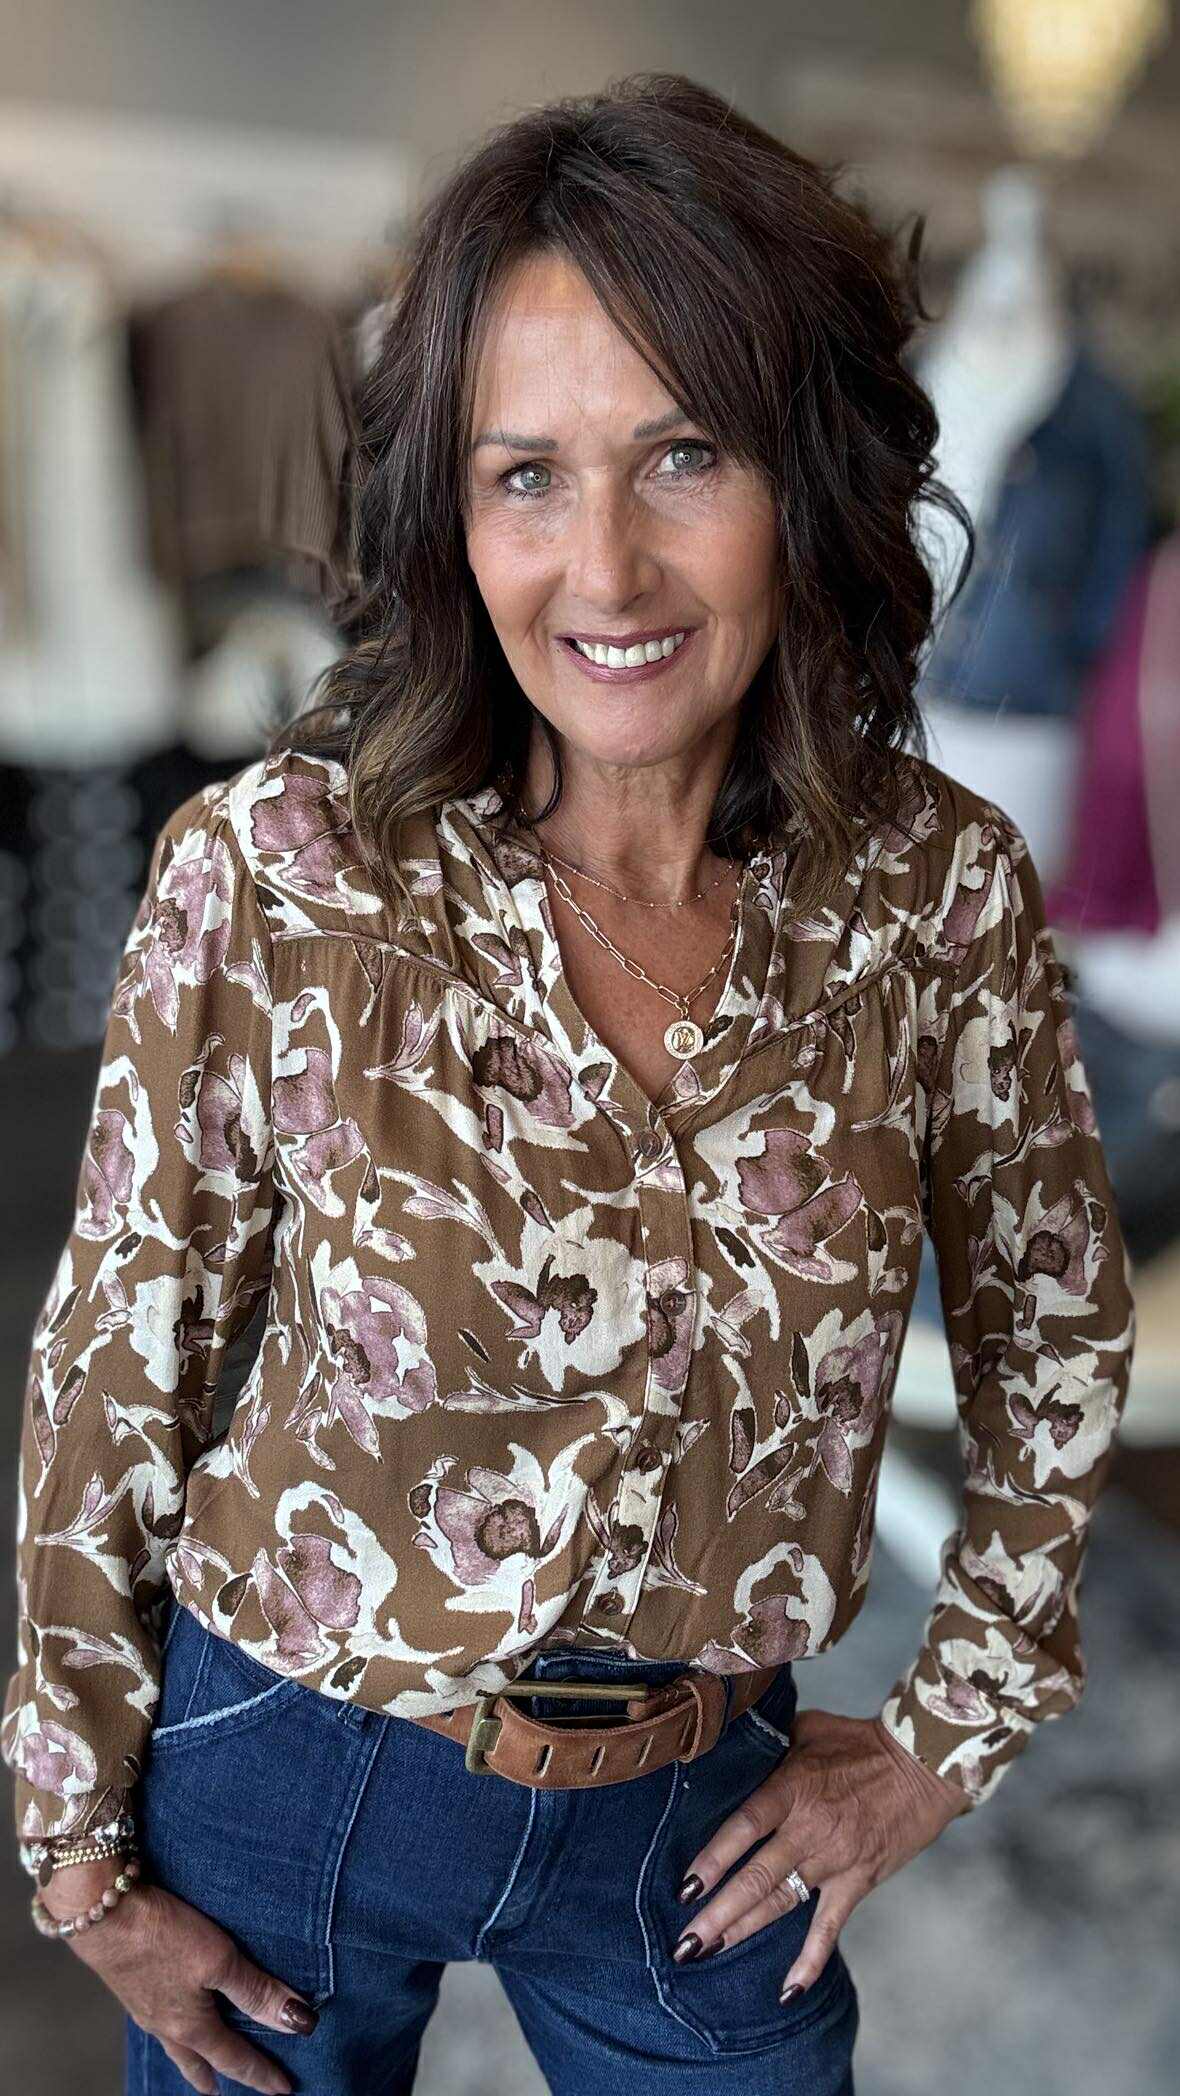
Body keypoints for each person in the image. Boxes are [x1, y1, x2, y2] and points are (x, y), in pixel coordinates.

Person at [2, 75, 1135, 2096]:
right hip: (294, 1768)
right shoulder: (282, 871)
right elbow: (118, 1358)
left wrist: (948, 1729)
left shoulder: (933, 891)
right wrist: (76, 1855)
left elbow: (1054, 1321)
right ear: (451, 516)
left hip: (699, 1812)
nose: (602, 567)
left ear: (807, 468)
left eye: (682, 455)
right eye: (525, 475)